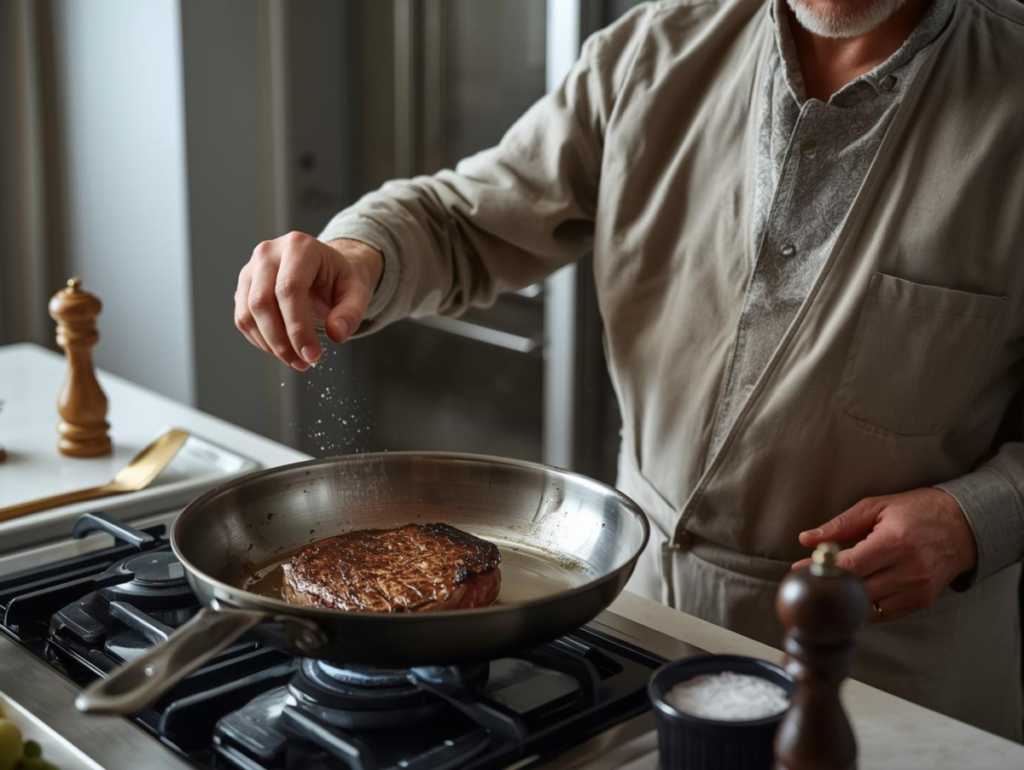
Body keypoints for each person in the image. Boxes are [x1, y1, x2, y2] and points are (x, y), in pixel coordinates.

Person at [234, 0, 1024, 740]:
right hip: (642, 628)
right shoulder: (653, 52)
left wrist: (977, 516)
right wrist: (357, 253)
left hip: (888, 661)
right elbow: (461, 220)